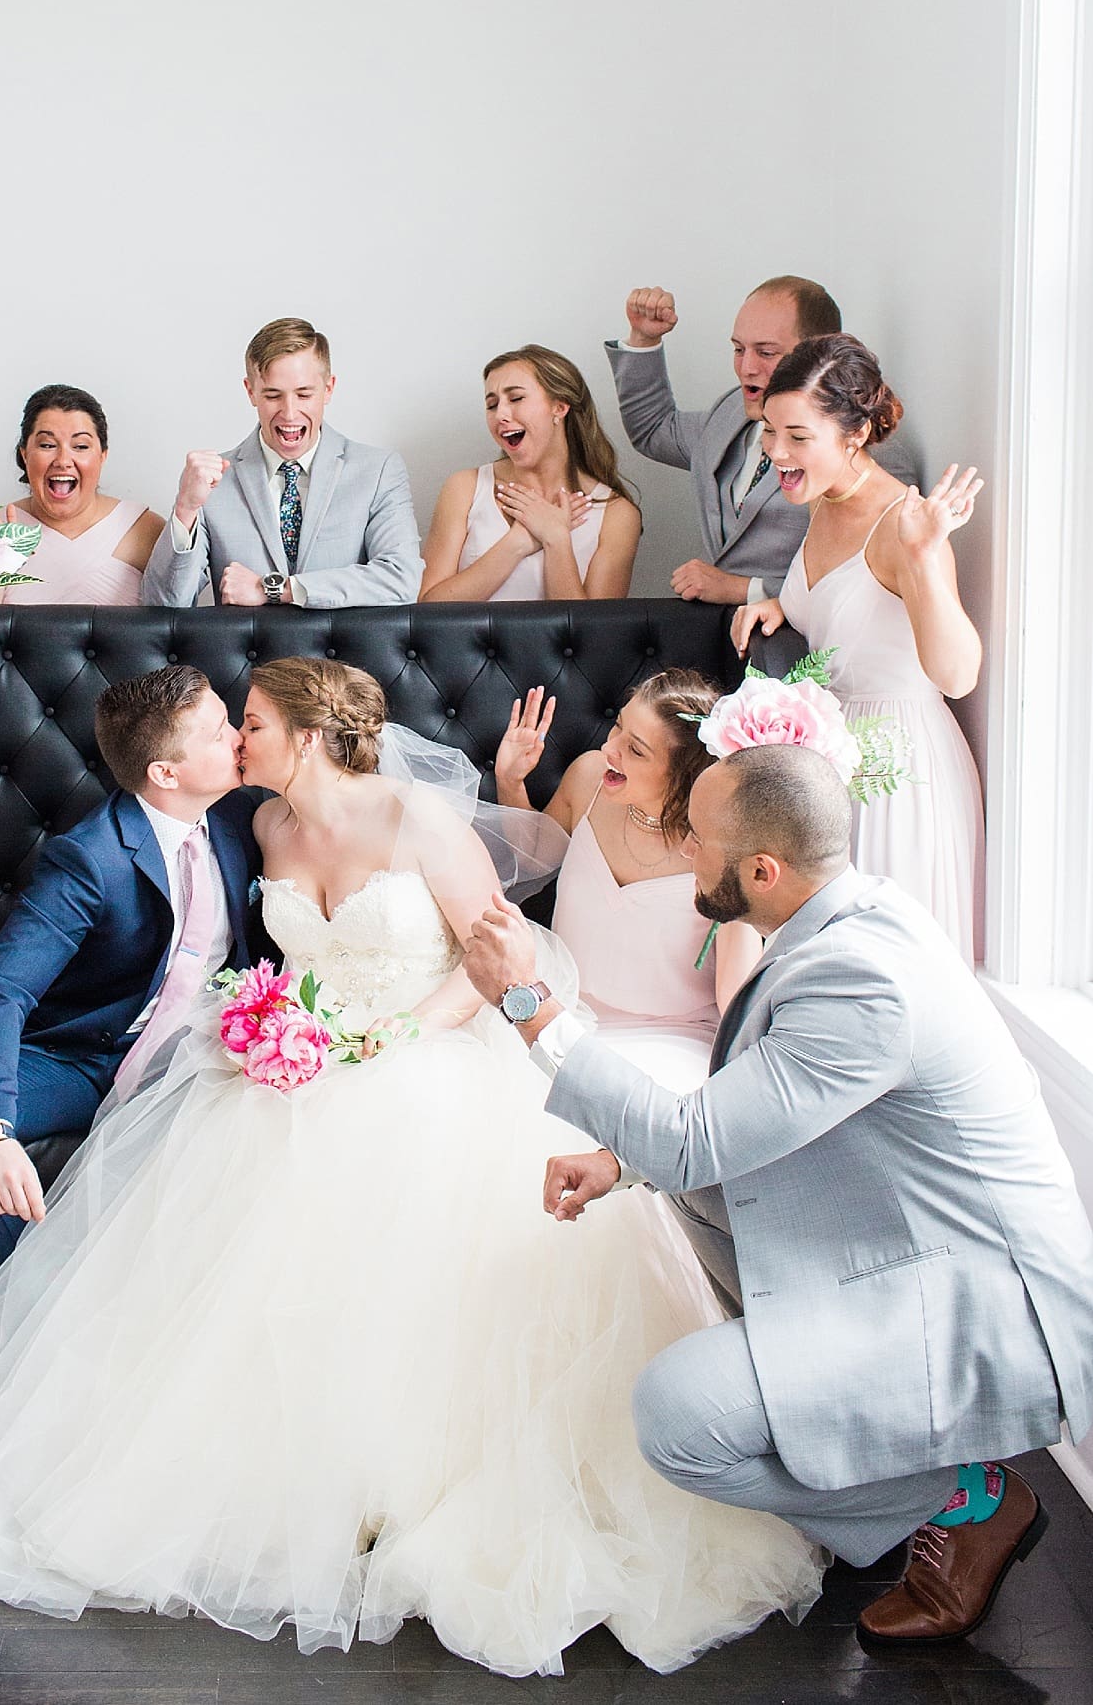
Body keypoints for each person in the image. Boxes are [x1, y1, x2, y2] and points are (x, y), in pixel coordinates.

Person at [0, 658, 826, 1678]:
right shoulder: (260, 826)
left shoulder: (416, 820)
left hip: (432, 1045)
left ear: (312, 731)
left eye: (250, 723)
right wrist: (276, 1025)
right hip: (303, 1058)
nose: (237, 742)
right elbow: (254, 957)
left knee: (400, 1175)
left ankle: (407, 1485)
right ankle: (296, 1484)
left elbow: (490, 957)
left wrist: (396, 1038)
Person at [461, 743, 1093, 1651]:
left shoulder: (858, 979)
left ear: (761, 869)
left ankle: (967, 1500)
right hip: (914, 1244)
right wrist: (622, 1162)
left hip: (980, 1306)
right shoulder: (846, 918)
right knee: (685, 1190)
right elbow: (735, 1120)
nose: (683, 851)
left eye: (699, 839)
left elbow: (694, 1136)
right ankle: (855, 1448)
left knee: (676, 1419)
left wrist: (527, 1002)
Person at [0, 666, 272, 1271]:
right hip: (89, 1058)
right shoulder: (90, 856)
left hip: (208, 1049)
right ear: (165, 773)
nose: (238, 737)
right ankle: (31, 1302)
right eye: (217, 733)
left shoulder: (246, 817)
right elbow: (4, 989)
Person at [732, 334, 986, 963]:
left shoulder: (904, 524)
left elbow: (957, 676)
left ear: (853, 435)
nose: (777, 453)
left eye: (797, 437)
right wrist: (778, 604)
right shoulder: (823, 501)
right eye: (769, 432)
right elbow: (848, 610)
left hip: (901, 773)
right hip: (835, 763)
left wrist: (926, 555)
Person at [495, 670, 761, 1087]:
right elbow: (533, 859)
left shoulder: (723, 853)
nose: (609, 748)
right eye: (618, 725)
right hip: (561, 1016)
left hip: (673, 1042)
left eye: (635, 750)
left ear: (683, 775)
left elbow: (738, 1001)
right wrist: (510, 781)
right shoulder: (588, 778)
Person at [606, 275, 921, 606]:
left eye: (766, 352)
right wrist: (643, 340)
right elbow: (654, 429)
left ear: (817, 353)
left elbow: (871, 580)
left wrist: (744, 589)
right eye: (738, 349)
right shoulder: (730, 412)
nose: (746, 368)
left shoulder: (869, 451)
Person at [140, 318, 422, 607]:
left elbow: (402, 579)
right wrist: (186, 508)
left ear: (329, 389)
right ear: (251, 392)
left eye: (304, 394)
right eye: (273, 395)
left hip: (343, 653)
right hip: (251, 653)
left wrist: (274, 589)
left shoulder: (378, 471)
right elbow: (164, 605)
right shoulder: (212, 481)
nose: (289, 413)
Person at [420, 346, 641, 601]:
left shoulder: (617, 514)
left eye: (515, 399)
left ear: (559, 407)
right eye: (492, 405)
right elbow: (428, 608)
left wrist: (556, 539)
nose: (500, 415)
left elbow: (592, 636)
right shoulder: (464, 488)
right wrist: (518, 543)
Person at [0, 387, 164, 607]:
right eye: (47, 445)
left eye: (80, 446)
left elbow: (174, 620)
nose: (63, 460)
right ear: (24, 454)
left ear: (102, 455)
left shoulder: (143, 528)